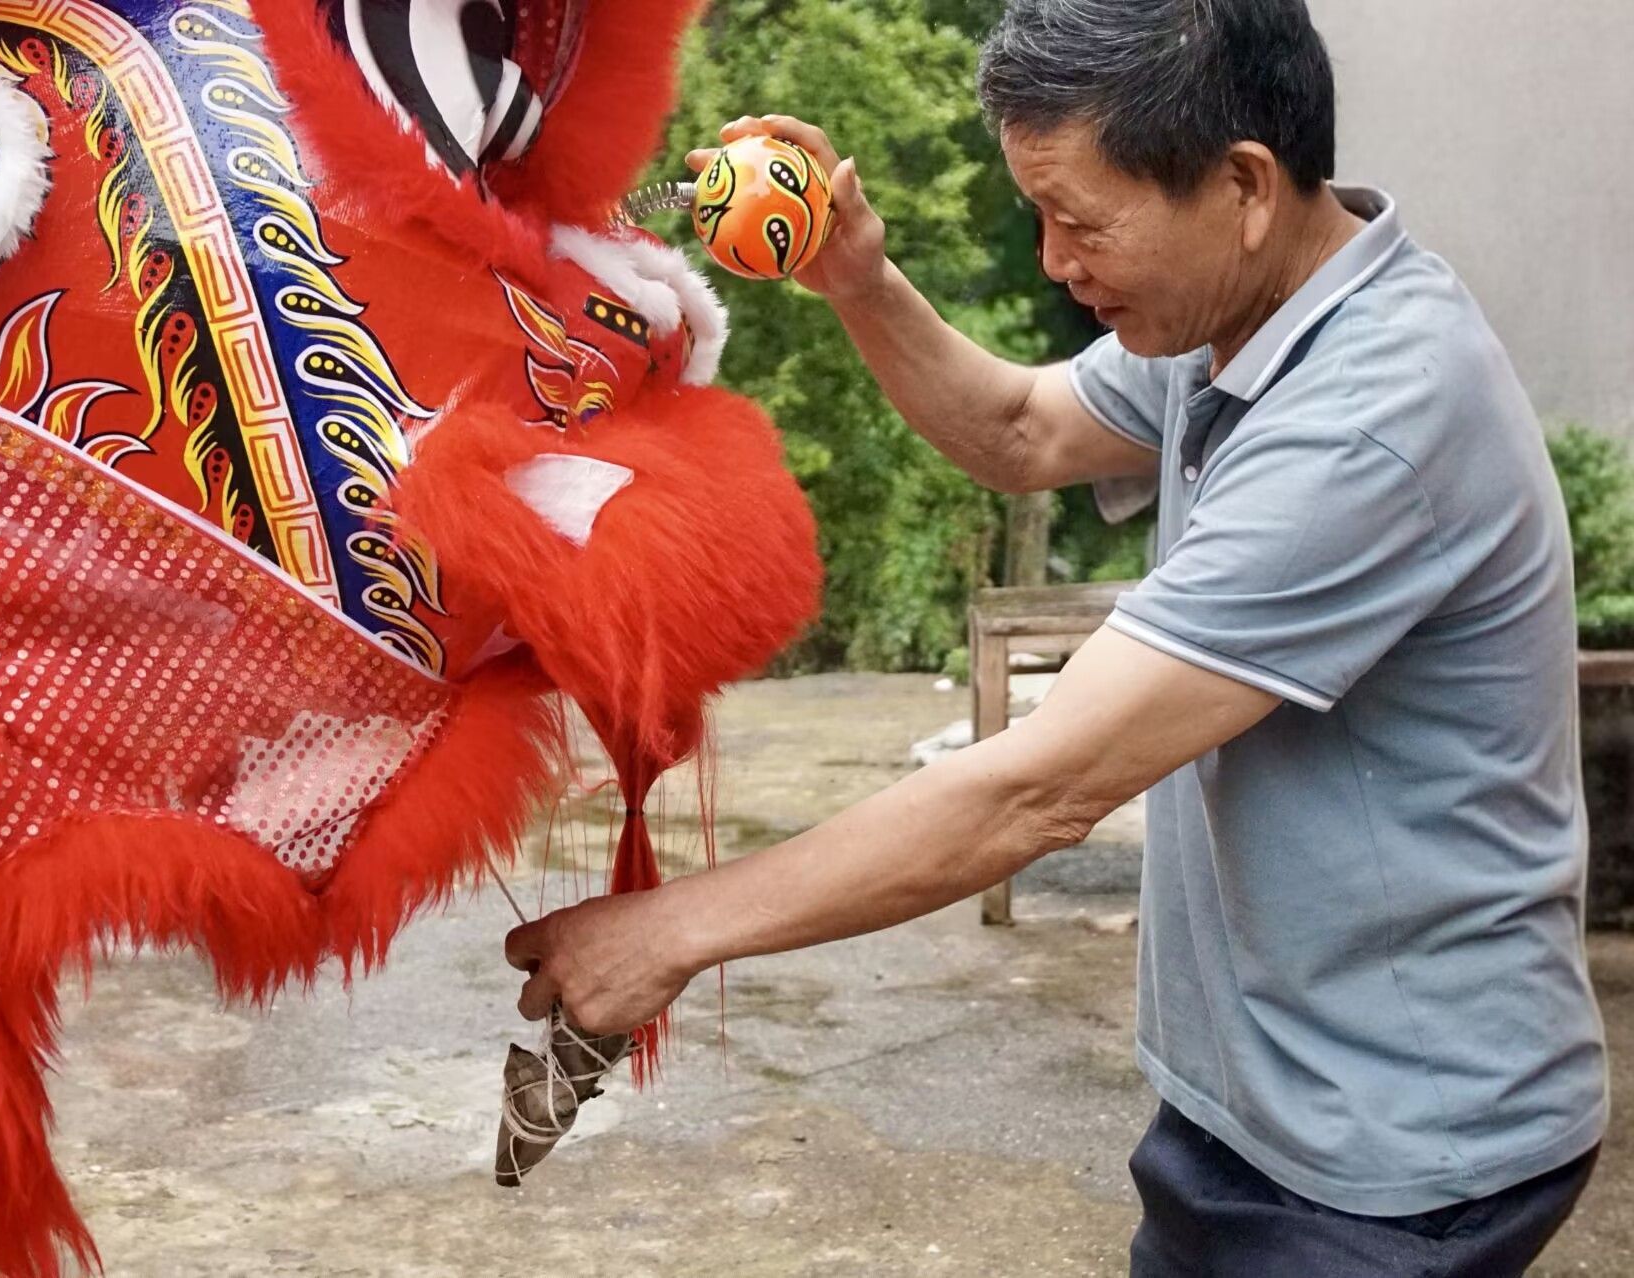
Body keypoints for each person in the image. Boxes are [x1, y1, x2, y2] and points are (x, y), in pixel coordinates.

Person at [504, 1, 1607, 1272]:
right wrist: (858, 275)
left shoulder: (1368, 414)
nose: (1051, 261)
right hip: (1264, 1097)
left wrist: (668, 932)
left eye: (1079, 221)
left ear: (1243, 186)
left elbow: (1041, 788)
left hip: (1394, 1143)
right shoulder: (1237, 317)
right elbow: (1023, 431)